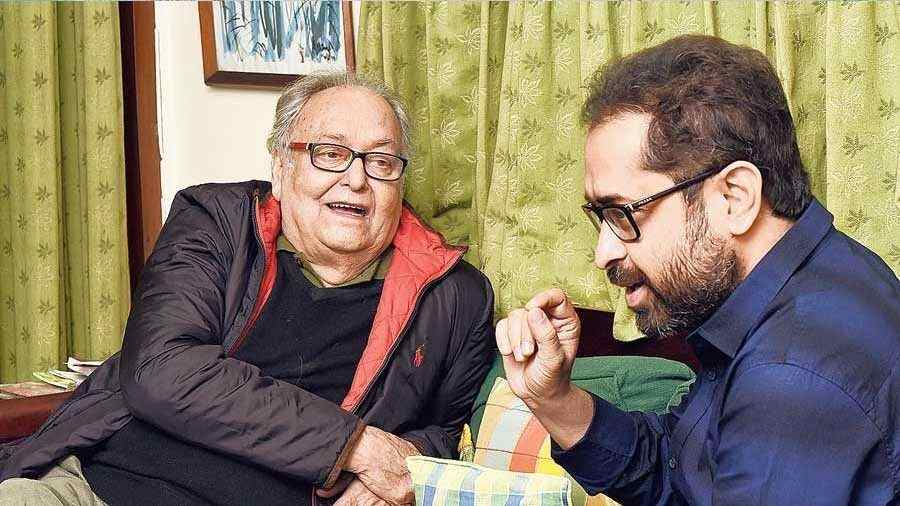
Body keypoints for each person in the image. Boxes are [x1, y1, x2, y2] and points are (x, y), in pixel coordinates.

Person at [0, 73, 495, 506]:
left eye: (381, 161)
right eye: (330, 154)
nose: (356, 179)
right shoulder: (215, 223)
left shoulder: (454, 296)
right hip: (100, 488)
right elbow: (161, 369)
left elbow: (446, 432)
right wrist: (356, 445)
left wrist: (402, 469)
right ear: (282, 168)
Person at [496, 35, 900, 505]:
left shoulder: (792, 374)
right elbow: (680, 472)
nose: (603, 252)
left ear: (734, 197)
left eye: (623, 214)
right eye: (600, 219)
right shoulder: (804, 283)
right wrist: (554, 401)